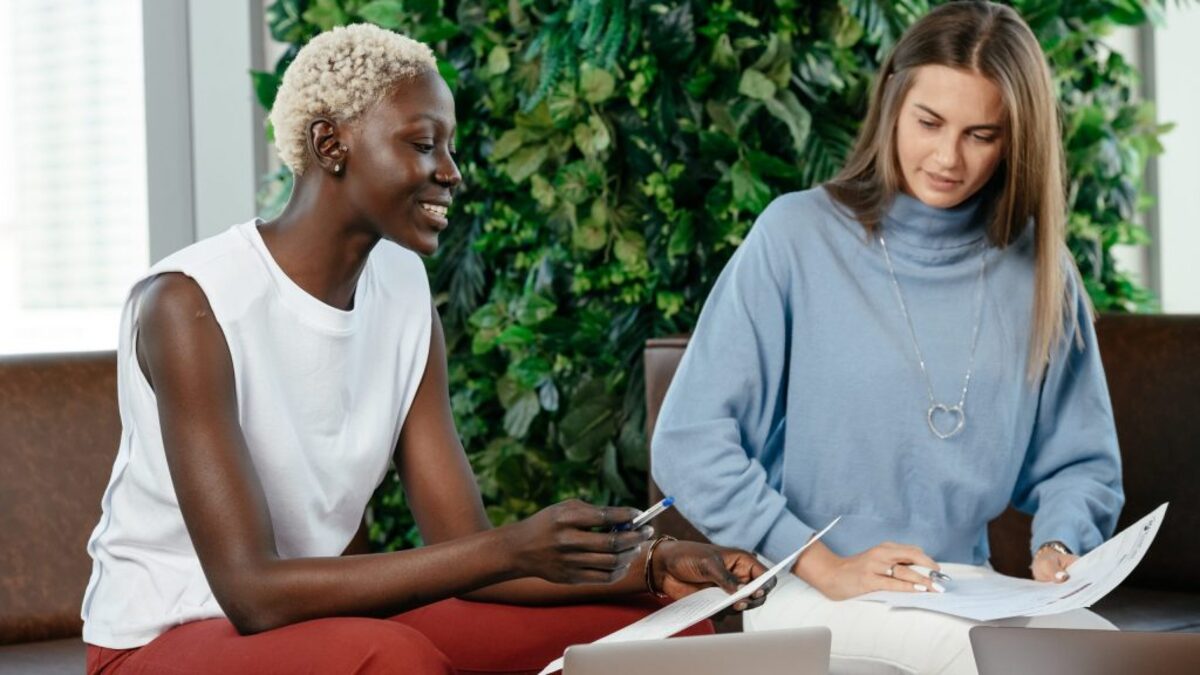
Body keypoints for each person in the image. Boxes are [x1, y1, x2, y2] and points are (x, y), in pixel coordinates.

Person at [81, 24, 773, 675]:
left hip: (317, 619)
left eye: (449, 147)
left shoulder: (403, 288)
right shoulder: (187, 303)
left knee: (666, 626)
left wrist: (654, 564)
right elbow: (253, 592)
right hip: (161, 640)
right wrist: (509, 545)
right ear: (331, 145)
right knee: (391, 658)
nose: (452, 171)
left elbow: (460, 539)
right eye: (422, 143)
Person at [651, 2, 1124, 673]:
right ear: (893, 100)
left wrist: (1059, 543)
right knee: (1002, 661)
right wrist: (824, 563)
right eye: (929, 122)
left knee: (1101, 654)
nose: (946, 157)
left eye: (981, 134)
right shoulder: (796, 236)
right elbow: (690, 439)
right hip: (807, 586)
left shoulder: (1041, 271)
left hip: (962, 586)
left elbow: (1082, 462)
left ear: (1015, 140)